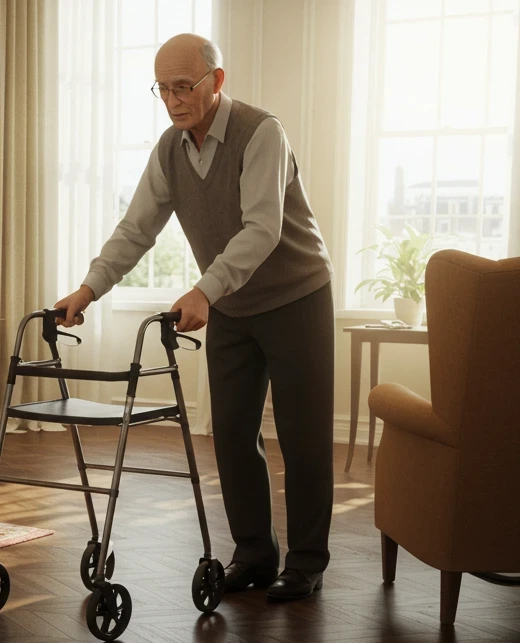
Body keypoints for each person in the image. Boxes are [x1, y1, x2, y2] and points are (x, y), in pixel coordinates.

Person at [55, 33, 334, 601]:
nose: (174, 99)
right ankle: (255, 553)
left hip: (296, 296)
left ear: (217, 81)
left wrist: (203, 290)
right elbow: (136, 229)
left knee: (303, 438)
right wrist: (89, 289)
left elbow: (262, 230)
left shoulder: (262, 133)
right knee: (231, 434)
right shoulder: (169, 150)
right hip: (232, 302)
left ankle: (306, 563)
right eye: (163, 89)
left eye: (185, 86)